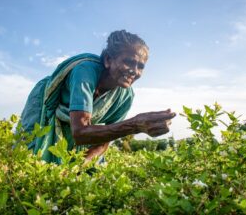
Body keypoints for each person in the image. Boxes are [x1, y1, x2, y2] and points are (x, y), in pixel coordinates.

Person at [20, 30, 176, 164]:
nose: (134, 71)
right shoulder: (86, 71)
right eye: (129, 62)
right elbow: (80, 132)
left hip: (79, 133)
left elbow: (103, 142)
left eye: (140, 66)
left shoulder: (126, 96)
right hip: (42, 108)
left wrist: (77, 167)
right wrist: (135, 125)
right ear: (108, 59)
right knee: (28, 154)